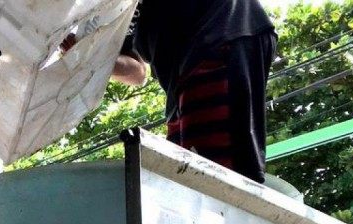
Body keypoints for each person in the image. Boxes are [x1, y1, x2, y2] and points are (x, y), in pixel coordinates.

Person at [111, 0, 277, 183]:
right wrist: (82, 57)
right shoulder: (104, 13)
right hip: (182, 75)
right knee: (184, 174)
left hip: (218, 33)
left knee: (215, 175)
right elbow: (137, 72)